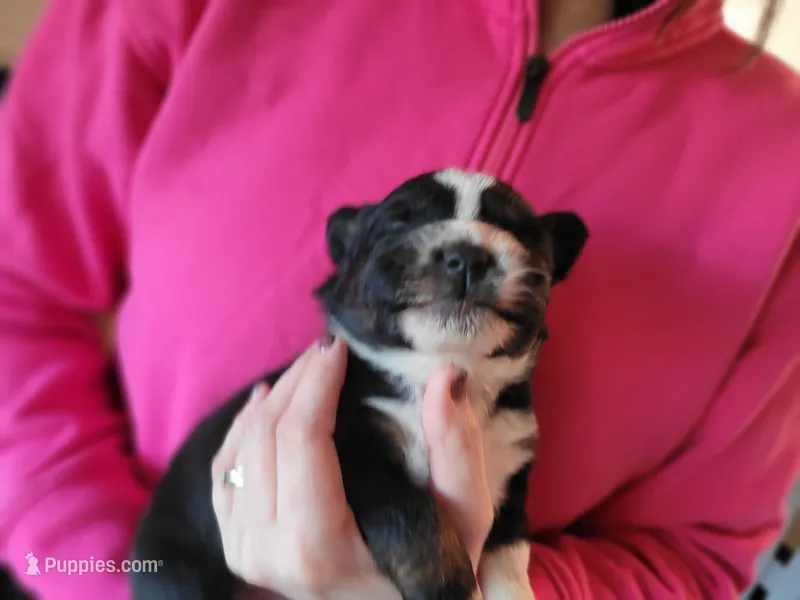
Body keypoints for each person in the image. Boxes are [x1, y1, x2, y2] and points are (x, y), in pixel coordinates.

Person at [0, 0, 797, 598]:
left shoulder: (780, 157)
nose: (463, 263)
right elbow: (14, 294)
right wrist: (107, 577)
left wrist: (484, 589)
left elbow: (693, 559)